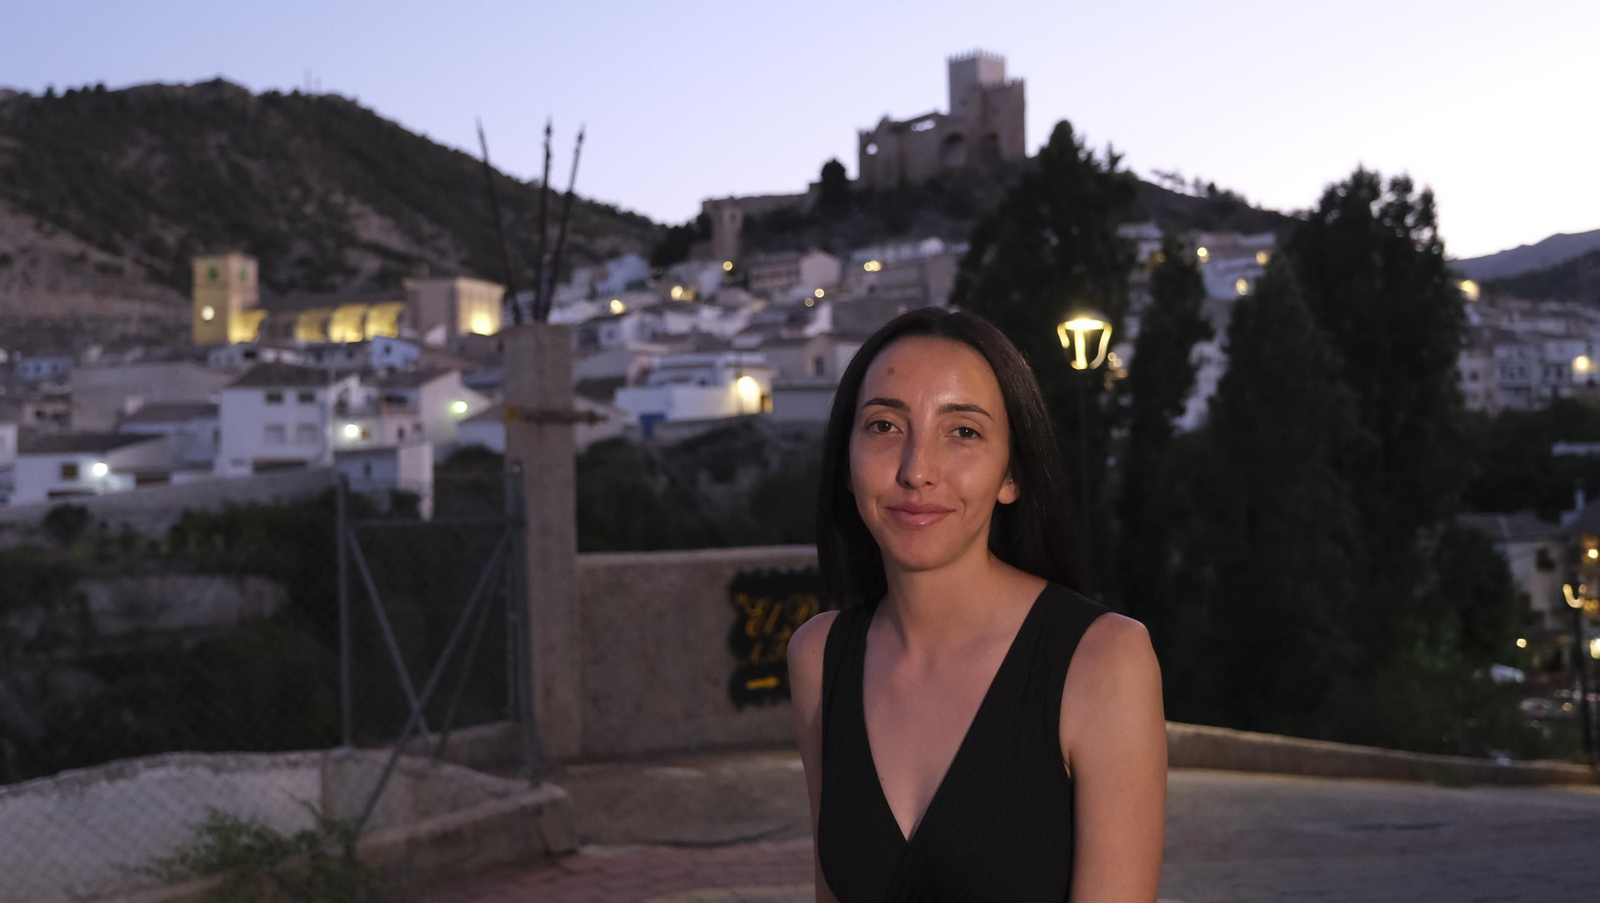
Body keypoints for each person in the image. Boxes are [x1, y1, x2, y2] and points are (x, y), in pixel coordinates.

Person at [787, 307, 1167, 901]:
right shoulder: (819, 657)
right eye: (885, 426)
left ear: (1011, 475)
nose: (917, 471)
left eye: (962, 431)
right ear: (845, 463)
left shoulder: (1103, 662)